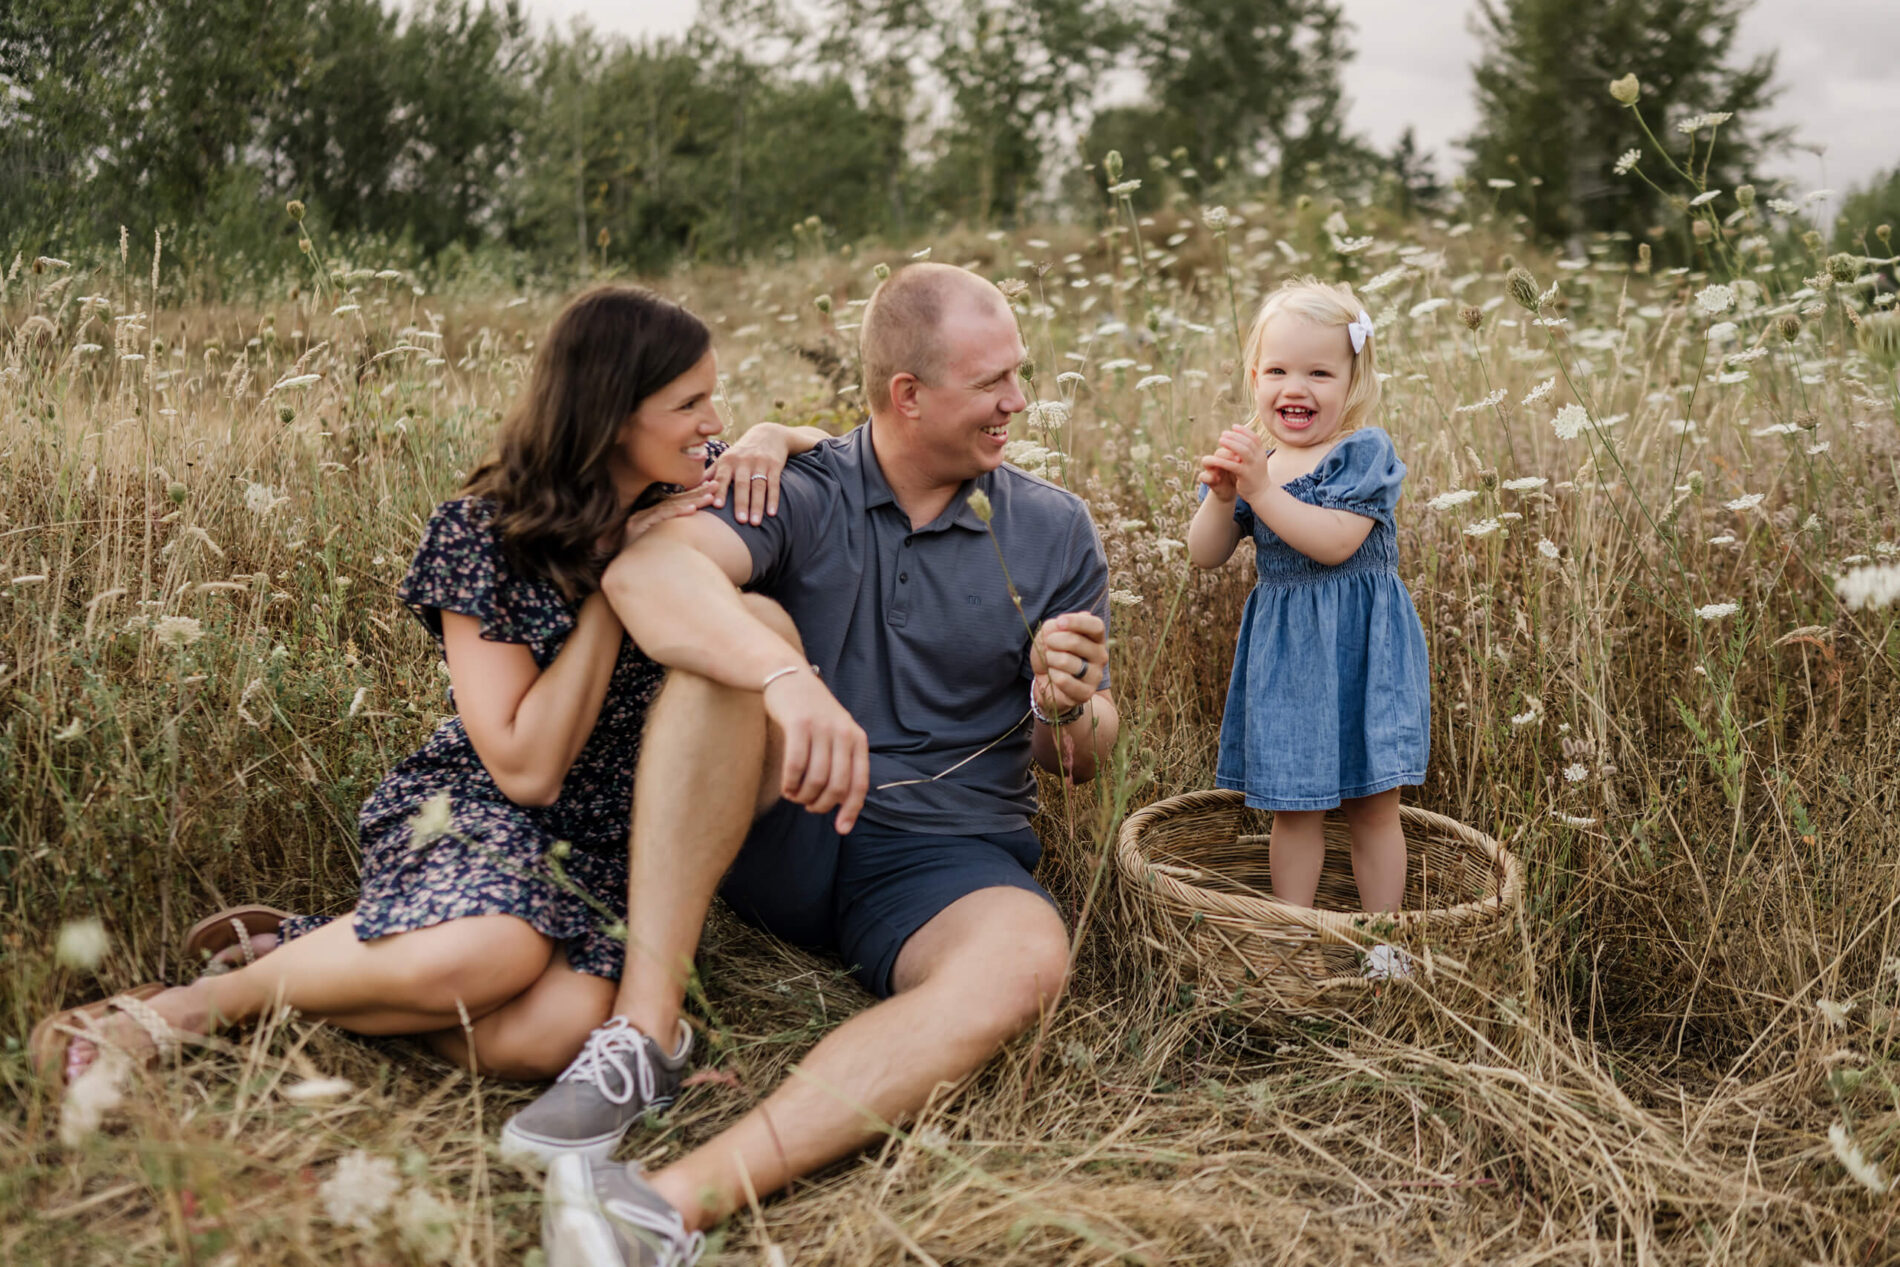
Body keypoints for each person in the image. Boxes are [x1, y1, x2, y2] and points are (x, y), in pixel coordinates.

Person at [31, 285, 825, 1087]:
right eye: (690, 402)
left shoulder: (696, 487)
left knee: (557, 1035)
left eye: (716, 400)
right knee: (497, 948)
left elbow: (834, 452)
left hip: (628, 839)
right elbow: (527, 768)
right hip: (486, 810)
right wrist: (617, 593)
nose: (713, 423)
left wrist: (772, 436)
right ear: (613, 412)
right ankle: (197, 1006)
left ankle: (321, 956)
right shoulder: (485, 533)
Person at [509, 263, 1120, 1267]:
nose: (1018, 401)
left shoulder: (1053, 529)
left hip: (943, 861)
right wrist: (785, 676)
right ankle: (646, 1032)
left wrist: (1065, 703)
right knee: (736, 633)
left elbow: (1081, 757)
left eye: (1020, 374)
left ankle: (657, 1209)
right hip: (777, 825)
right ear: (906, 396)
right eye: (992, 382)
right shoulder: (798, 487)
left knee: (1027, 958)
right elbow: (644, 571)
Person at [1184, 276, 1430, 977]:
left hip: (1363, 653)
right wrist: (1224, 495)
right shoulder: (1254, 462)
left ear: (1354, 380)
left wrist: (1262, 491)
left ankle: (1385, 940)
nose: (1297, 387)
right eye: (1278, 370)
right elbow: (1203, 555)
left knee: (1373, 807)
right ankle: (1292, 937)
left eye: (1320, 371)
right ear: (1253, 378)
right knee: (1295, 807)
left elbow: (1334, 543)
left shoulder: (1362, 452)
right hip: (1290, 660)